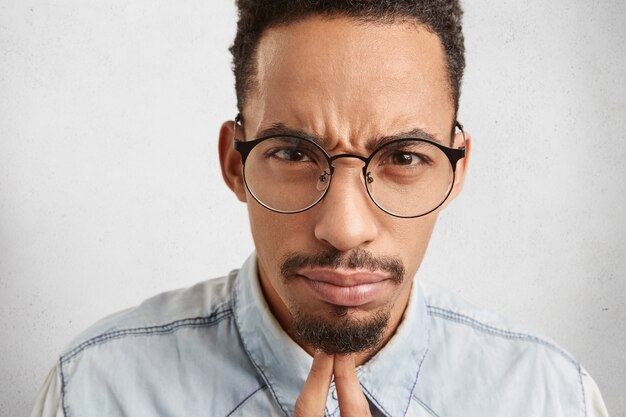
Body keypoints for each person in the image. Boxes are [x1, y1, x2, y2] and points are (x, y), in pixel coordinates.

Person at [31, 1, 610, 416]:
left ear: (455, 169)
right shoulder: (93, 393)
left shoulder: (554, 398)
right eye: (292, 152)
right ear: (236, 164)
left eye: (404, 157)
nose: (344, 228)